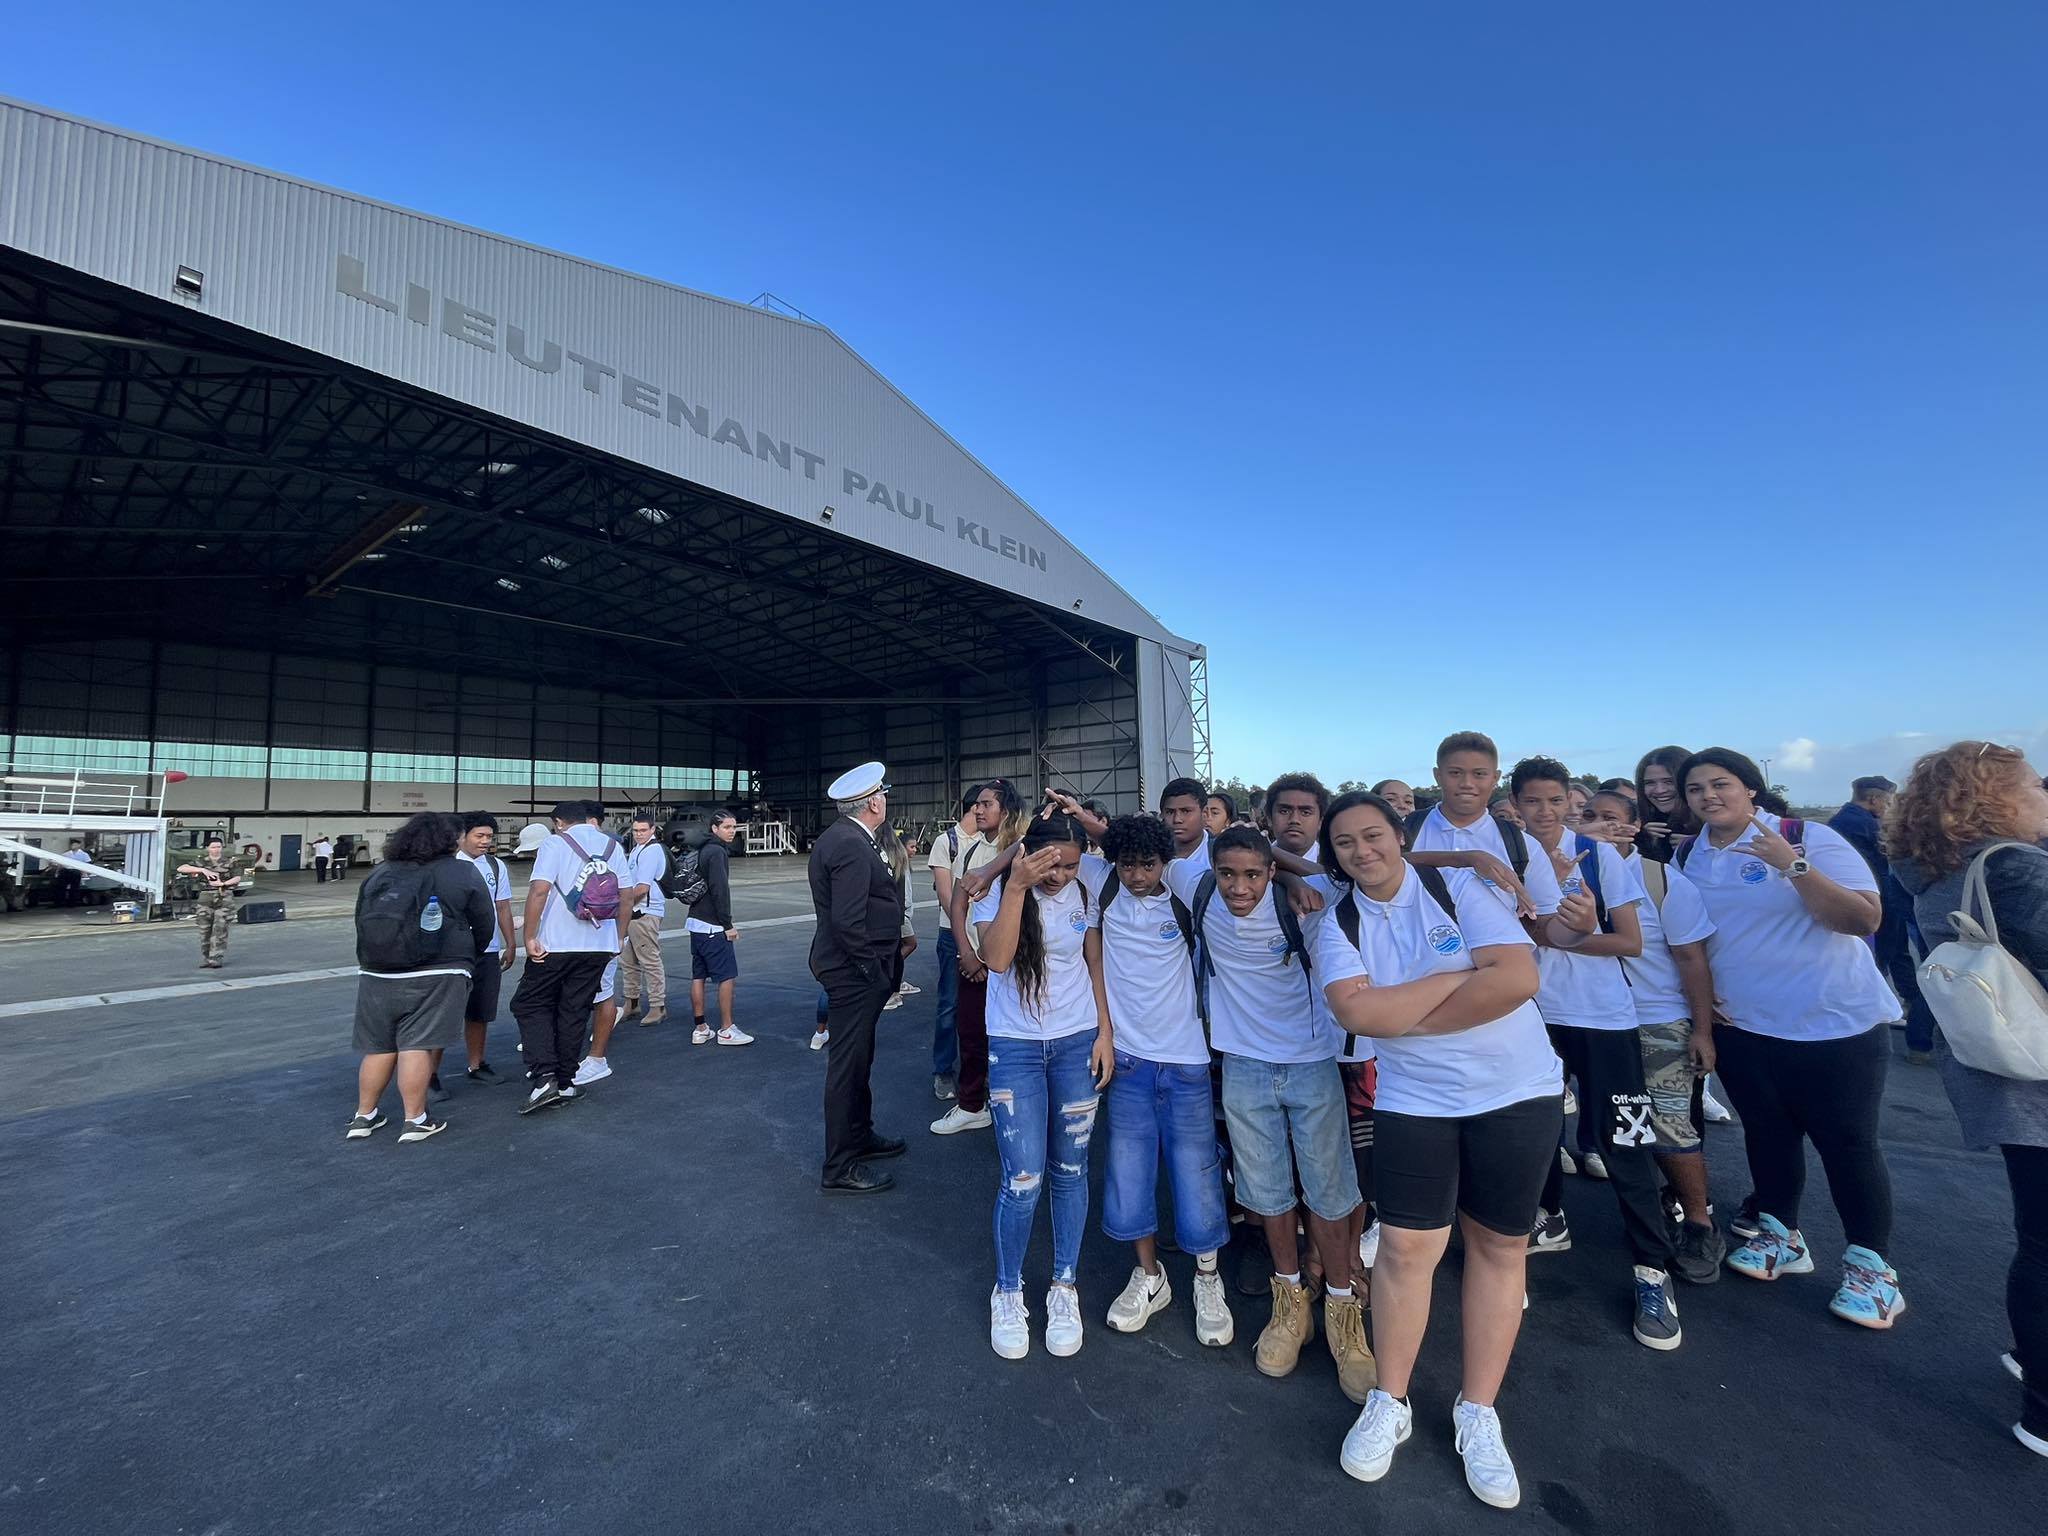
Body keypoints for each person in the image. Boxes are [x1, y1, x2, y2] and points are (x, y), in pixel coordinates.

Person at [1313, 791, 1556, 1511]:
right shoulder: (1340, 923)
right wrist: (1460, 978)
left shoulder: (1458, 889)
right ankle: (1391, 1400)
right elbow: (1356, 1011)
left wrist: (1406, 1011)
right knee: (1405, 1250)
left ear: (1401, 835)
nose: (1363, 851)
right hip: (1416, 1100)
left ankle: (1478, 1411)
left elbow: (1519, 979)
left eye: (1374, 835)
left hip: (1517, 1090)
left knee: (1499, 1247)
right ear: (1335, 857)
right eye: (1346, 843)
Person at [1675, 749, 1904, 1325]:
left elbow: (1864, 919)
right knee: (1768, 1135)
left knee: (1848, 1145)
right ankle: (1782, 1236)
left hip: (1836, 1023)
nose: (1708, 796)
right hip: (1746, 1026)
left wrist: (1793, 866)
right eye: (1696, 789)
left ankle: (1872, 1270)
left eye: (1721, 784)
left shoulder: (1808, 837)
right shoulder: (1688, 854)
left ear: (1751, 788)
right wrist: (1703, 1017)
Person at [1166, 824, 1375, 1403]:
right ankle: (1290, 1306)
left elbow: (1344, 875)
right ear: (1211, 870)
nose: (1239, 887)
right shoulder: (1194, 885)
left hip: (1311, 1063)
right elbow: (1123, 850)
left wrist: (1283, 871)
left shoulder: (1307, 901)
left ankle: (1343, 1314)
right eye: (1228, 874)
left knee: (1330, 1193)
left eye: (1253, 875)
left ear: (1270, 871)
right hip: (1242, 1064)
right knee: (1266, 1191)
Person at [1888, 741, 2048, 1456]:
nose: (2044, 796)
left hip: (2004, 1071)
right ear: (1994, 796)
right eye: (2034, 785)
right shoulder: (2016, 869)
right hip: (2039, 1070)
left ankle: (2033, 1357)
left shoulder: (1933, 870)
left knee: (2039, 1238)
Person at [1509, 758, 1683, 1347]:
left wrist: (1559, 934)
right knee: (1536, 1132)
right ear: (1516, 805)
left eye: (1556, 800)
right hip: (1531, 1015)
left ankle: (1652, 1269)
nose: (1545, 811)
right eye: (1533, 801)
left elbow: (1629, 942)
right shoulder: (1507, 857)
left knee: (1626, 1141)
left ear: (1571, 804)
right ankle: (1548, 1218)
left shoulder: (1597, 856)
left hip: (1603, 1018)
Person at [974, 812, 1114, 1359]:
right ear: (1028, 855)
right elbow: (997, 959)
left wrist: (1105, 1032)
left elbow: (1094, 962)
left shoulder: (1086, 891)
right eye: (1050, 866)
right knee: (1023, 1178)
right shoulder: (999, 892)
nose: (1059, 877)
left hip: (1076, 1042)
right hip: (1015, 1047)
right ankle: (1007, 1290)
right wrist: (1015, 886)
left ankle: (1064, 1285)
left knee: (1071, 1171)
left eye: (1071, 866)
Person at [1092, 814, 1234, 1348]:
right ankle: (1150, 1277)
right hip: (1128, 1061)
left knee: (1196, 1173)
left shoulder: (1185, 890)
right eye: (1127, 864)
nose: (1137, 875)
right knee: (1129, 1172)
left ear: (1165, 862)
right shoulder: (1103, 885)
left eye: (1148, 865)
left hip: (1186, 1060)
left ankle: (1207, 1278)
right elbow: (1044, 853)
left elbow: (1248, 871)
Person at [1581, 788, 1726, 1278]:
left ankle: (1700, 1222)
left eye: (1611, 817)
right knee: (1625, 1127)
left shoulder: (1662, 881)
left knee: (1669, 1125)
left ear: (1634, 826)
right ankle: (1649, 1215)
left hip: (1656, 1018)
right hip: (1597, 1019)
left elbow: (1691, 959)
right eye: (1588, 816)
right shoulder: (1566, 874)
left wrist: (1702, 1030)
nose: (1600, 825)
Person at [345, 812, 496, 1143]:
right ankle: (415, 1120)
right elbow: (485, 921)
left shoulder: (381, 872)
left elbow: (360, 918)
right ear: (449, 840)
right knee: (417, 1044)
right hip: (438, 971)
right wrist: (468, 955)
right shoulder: (461, 871)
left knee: (380, 1047)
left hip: (377, 970)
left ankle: (364, 1116)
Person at [810, 762, 909, 1194]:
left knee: (859, 1059)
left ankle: (859, 1135)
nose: (884, 799)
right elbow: (847, 921)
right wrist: (872, 970)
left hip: (859, 971)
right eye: (881, 794)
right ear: (872, 803)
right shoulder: (851, 844)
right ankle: (839, 1165)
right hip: (854, 973)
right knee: (847, 1067)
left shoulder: (850, 838)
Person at [508, 801, 632, 1115]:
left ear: (559, 822)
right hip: (600, 944)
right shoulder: (611, 845)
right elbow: (627, 894)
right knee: (574, 1009)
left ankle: (544, 1078)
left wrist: (530, 936)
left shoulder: (555, 843)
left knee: (529, 1003)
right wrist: (618, 936)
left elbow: (539, 890)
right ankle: (565, 1081)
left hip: (557, 943)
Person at [934, 779, 1029, 1136]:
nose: (978, 809)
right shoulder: (972, 850)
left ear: (1007, 811)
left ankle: (1014, 1104)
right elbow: (959, 904)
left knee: (1012, 1039)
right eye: (977, 804)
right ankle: (972, 1105)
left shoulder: (1020, 848)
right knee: (971, 1034)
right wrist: (966, 953)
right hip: (975, 963)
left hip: (1011, 964)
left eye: (987, 804)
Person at [1835, 775, 1935, 1062]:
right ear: (1874, 799)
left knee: (1895, 954)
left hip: (1875, 900)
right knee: (1879, 957)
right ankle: (1874, 1017)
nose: (1890, 808)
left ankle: (1906, 1004)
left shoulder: (1844, 821)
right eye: (1888, 802)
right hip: (1876, 901)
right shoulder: (1864, 825)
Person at [927, 786, 982, 1101]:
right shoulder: (946, 842)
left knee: (981, 1007)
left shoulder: (990, 841)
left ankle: (978, 1072)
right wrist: (964, 935)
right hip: (953, 935)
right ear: (975, 807)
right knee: (950, 1004)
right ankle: (943, 1069)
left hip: (984, 935)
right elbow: (946, 894)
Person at [454, 812, 516, 1086]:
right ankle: (428, 1074)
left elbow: (502, 907)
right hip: (454, 952)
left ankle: (476, 1064)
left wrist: (510, 943)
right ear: (462, 836)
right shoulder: (448, 865)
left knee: (480, 1011)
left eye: (489, 837)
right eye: (479, 836)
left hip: (488, 951)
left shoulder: (495, 866)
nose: (485, 841)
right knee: (444, 1016)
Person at [688, 812, 749, 1046]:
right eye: (726, 827)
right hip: (713, 925)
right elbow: (719, 890)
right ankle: (726, 1029)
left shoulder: (703, 849)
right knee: (726, 976)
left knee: (698, 976)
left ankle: (700, 1028)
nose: (732, 831)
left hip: (695, 921)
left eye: (734, 827)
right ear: (714, 828)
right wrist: (728, 924)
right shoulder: (717, 852)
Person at [619, 811, 670, 1028]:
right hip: (634, 911)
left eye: (643, 830)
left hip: (645, 912)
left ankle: (658, 1006)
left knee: (649, 960)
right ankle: (632, 1002)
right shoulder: (638, 850)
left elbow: (642, 888)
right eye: (635, 830)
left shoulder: (651, 851)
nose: (638, 834)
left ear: (652, 830)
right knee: (628, 960)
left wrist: (621, 904)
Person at [177, 836, 241, 968]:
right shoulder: (201, 861)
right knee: (204, 929)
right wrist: (202, 870)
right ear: (207, 848)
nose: (216, 849)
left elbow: (237, 877)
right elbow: (181, 868)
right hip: (205, 896)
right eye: (213, 847)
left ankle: (216, 958)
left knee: (220, 928)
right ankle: (206, 957)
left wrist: (222, 884)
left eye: (218, 847)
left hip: (224, 895)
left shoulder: (230, 861)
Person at [877, 823, 918, 1013]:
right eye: (912, 846)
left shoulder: (885, 858)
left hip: (891, 914)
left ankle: (891, 980)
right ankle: (890, 980)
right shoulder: (897, 859)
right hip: (898, 914)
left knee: (893, 950)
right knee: (907, 945)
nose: (915, 850)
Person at [1634, 746, 1693, 864]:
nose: (1659, 790)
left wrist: (1700, 845)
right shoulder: (1634, 826)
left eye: (1669, 781)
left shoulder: (1715, 824)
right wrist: (1641, 842)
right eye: (1650, 783)